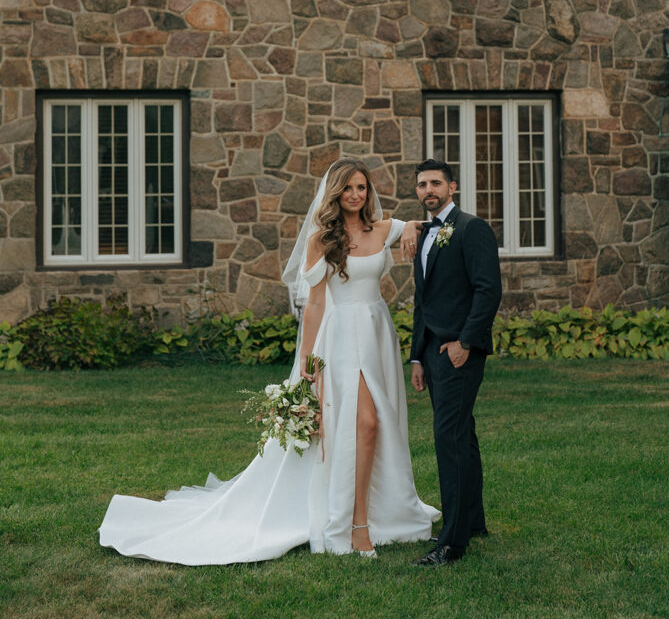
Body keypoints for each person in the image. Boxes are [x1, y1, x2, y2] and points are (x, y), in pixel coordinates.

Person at [98, 157, 439, 564]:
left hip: (377, 332)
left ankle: (378, 512)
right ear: (335, 193)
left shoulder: (384, 229)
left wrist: (413, 231)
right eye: (347, 188)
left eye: (361, 188)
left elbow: (435, 225)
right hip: (341, 337)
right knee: (362, 424)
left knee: (377, 424)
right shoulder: (321, 239)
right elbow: (314, 304)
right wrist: (308, 362)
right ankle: (355, 524)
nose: (355, 195)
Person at [409, 158, 502, 568]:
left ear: (453, 187)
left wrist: (465, 342)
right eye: (422, 184)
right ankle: (472, 521)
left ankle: (451, 542)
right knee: (462, 435)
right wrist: (416, 356)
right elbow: (422, 301)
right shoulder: (424, 233)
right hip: (432, 352)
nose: (428, 190)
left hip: (460, 351)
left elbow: (488, 291)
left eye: (435, 183)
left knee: (448, 438)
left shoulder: (471, 229)